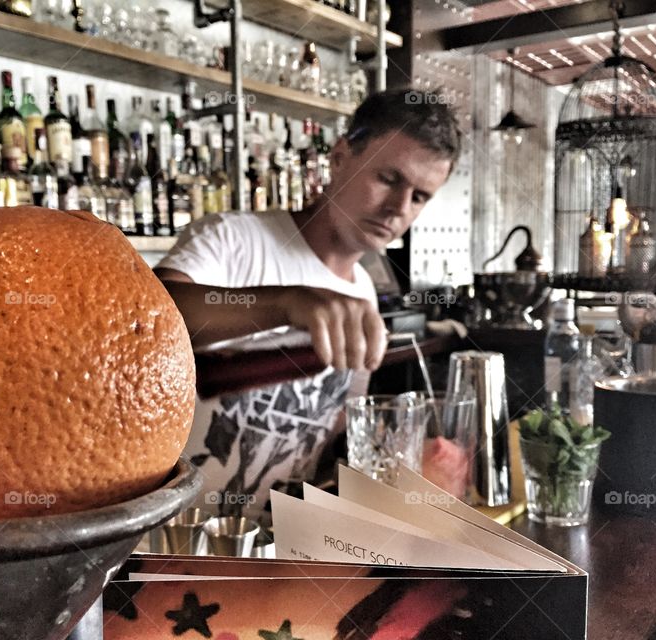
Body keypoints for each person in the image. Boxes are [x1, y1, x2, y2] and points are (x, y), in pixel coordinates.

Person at [154, 88, 462, 519]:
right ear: (339, 158)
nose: (398, 209)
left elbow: (331, 433)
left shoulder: (364, 294)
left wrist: (404, 468)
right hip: (178, 542)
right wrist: (286, 303)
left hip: (279, 547)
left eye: (419, 196)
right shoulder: (233, 239)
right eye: (388, 178)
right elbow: (148, 321)